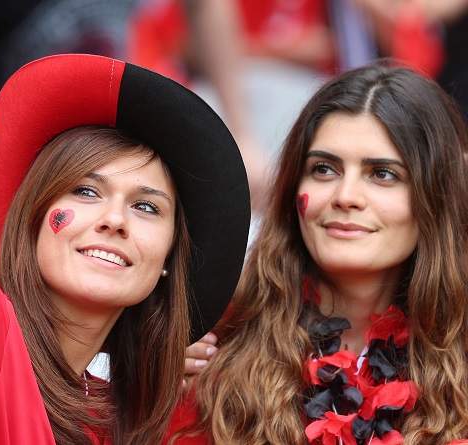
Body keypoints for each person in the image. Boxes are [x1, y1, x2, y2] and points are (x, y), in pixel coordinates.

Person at [0, 50, 251, 444]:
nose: (115, 219)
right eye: (87, 191)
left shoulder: (133, 415)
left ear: (168, 258)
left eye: (145, 207)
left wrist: (158, 372)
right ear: (34, 218)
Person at [169, 62, 468, 444]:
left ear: (435, 197)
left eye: (382, 174)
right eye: (325, 169)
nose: (345, 197)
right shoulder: (212, 339)